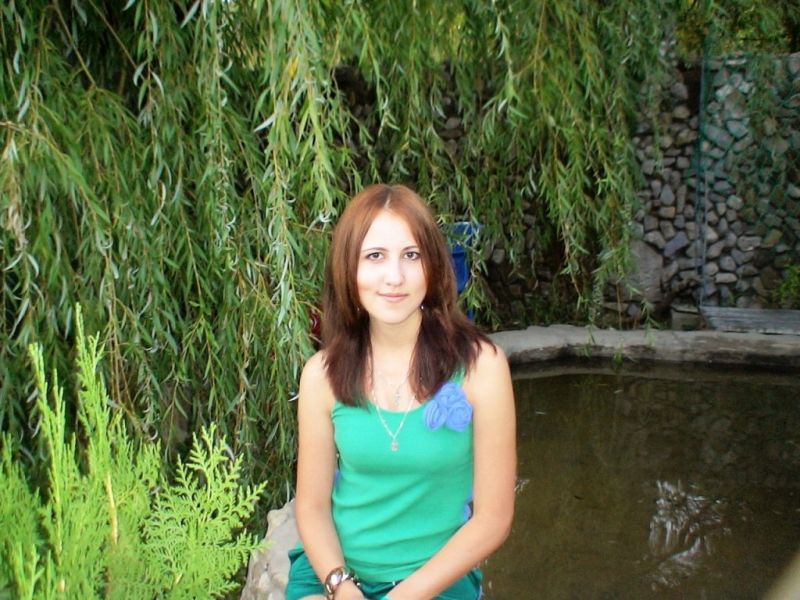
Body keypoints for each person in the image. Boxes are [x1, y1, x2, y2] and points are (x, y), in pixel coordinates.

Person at [286, 184, 516, 600]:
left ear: (433, 266)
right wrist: (341, 586)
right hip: (338, 572)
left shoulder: (482, 367)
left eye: (411, 255)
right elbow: (312, 507)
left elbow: (493, 519)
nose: (394, 277)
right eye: (375, 256)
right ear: (348, 269)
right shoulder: (322, 376)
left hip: (436, 580)